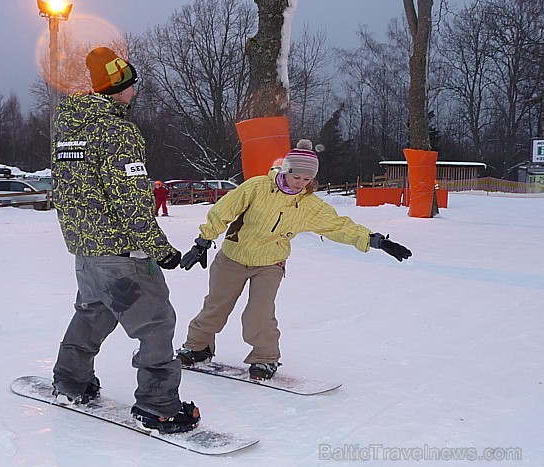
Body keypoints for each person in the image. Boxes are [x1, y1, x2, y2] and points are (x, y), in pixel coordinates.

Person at [50, 46, 200, 434]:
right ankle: (158, 404)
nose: (134, 93)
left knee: (93, 313)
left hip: (86, 251)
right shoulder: (115, 131)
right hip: (121, 253)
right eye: (130, 85)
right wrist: (161, 250)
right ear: (114, 88)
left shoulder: (68, 129)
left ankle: (71, 380)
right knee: (155, 324)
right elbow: (132, 200)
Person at [176, 140, 412, 380]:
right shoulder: (257, 187)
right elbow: (223, 210)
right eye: (296, 177)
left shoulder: (308, 205)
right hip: (233, 257)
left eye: (307, 180)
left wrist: (375, 240)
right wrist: (203, 241)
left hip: (270, 263)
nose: (300, 184)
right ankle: (197, 347)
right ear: (286, 170)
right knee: (216, 305)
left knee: (259, 313)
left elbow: (338, 226)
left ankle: (265, 358)